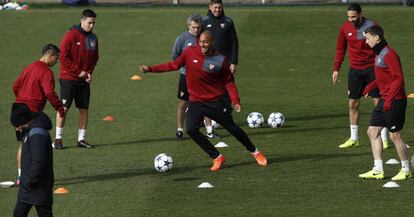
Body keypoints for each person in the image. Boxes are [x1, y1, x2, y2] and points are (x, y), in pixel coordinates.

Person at [140, 31, 267, 171]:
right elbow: (174, 65)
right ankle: (217, 157)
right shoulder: (189, 52)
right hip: (196, 101)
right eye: (200, 41)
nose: (203, 44)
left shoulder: (220, 59)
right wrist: (150, 69)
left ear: (212, 42)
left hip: (215, 102)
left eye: (206, 42)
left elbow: (229, 81)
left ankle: (255, 152)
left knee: (233, 129)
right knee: (191, 129)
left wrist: (235, 101)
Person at [332, 3, 389, 149]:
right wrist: (336, 69)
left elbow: (382, 47)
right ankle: (354, 138)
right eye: (349, 17)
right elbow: (340, 48)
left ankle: (384, 138)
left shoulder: (372, 26)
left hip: (372, 69)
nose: (351, 19)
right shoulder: (345, 28)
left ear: (360, 14)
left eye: (353, 16)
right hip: (355, 71)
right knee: (353, 104)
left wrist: (383, 67)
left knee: (378, 102)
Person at [358, 26, 411, 180]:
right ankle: (378, 169)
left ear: (377, 38)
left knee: (395, 136)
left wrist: (388, 100)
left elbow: (398, 79)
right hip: (385, 99)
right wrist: (371, 86)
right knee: (372, 132)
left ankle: (406, 169)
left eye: (368, 38)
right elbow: (383, 77)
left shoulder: (389, 54)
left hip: (395, 100)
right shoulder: (379, 54)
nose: (366, 42)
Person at [12, 44, 64, 186]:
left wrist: (21, 100)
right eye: (56, 58)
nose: (57, 61)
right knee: (41, 135)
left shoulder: (29, 67)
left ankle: (21, 177)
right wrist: (59, 108)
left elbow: (15, 86)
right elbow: (49, 92)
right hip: (31, 112)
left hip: (17, 110)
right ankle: (40, 175)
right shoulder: (46, 72)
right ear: (49, 55)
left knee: (23, 144)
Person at [54, 9, 99, 149]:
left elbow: (95, 57)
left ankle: (81, 140)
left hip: (83, 79)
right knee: (64, 108)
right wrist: (78, 71)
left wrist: (89, 72)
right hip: (69, 78)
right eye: (89, 23)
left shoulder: (93, 38)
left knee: (84, 109)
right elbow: (63, 57)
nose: (91, 26)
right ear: (82, 20)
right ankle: (58, 139)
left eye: (93, 23)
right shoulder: (71, 35)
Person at [202, 0, 239, 138]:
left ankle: (226, 117)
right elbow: (198, 43)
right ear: (210, 7)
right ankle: (207, 122)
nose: (217, 9)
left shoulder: (228, 22)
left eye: (219, 7)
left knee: (227, 91)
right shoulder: (204, 22)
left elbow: (234, 43)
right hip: (208, 63)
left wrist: (234, 62)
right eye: (215, 7)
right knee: (207, 92)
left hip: (224, 63)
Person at [10, 103, 54, 217]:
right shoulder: (30, 131)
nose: (16, 129)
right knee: (18, 213)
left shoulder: (37, 134)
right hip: (28, 187)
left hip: (38, 186)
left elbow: (38, 161)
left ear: (22, 122)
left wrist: (29, 181)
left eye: (16, 125)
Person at [172, 14, 203, 140]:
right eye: (194, 27)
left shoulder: (204, 37)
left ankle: (209, 130)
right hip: (186, 76)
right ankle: (180, 130)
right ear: (189, 26)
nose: (196, 30)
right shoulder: (182, 38)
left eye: (198, 28)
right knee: (183, 103)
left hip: (202, 76)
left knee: (204, 101)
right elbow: (175, 57)